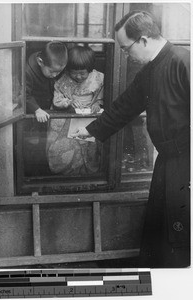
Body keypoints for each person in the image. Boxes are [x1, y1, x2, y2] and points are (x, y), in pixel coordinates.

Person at [71, 10, 190, 267]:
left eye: (126, 48)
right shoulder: (149, 72)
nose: (126, 55)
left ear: (144, 40)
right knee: (161, 229)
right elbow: (125, 106)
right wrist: (93, 130)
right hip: (167, 163)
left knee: (182, 233)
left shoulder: (184, 62)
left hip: (188, 164)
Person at [46, 45, 104, 175]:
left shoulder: (98, 78)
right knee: (71, 144)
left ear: (90, 69)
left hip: (90, 116)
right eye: (74, 72)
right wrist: (69, 103)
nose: (78, 77)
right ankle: (69, 173)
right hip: (69, 117)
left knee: (90, 144)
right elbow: (57, 99)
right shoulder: (63, 80)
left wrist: (97, 103)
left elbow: (101, 94)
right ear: (68, 70)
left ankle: (88, 173)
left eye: (82, 73)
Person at [26, 41, 68, 122]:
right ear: (40, 62)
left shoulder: (53, 65)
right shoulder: (27, 72)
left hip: (51, 110)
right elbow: (24, 95)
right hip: (34, 113)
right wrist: (36, 110)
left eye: (59, 72)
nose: (55, 75)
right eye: (52, 72)